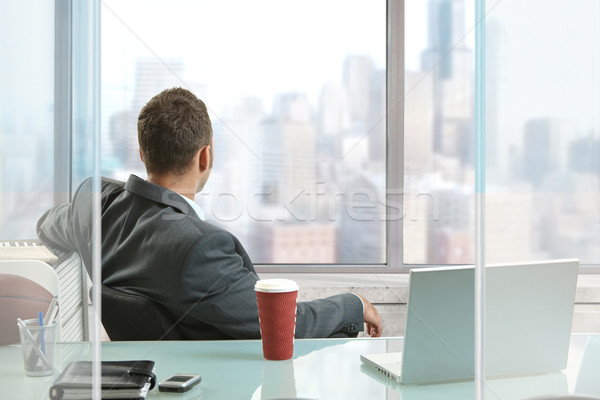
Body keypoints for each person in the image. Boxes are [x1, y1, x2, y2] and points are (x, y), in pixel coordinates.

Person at [37, 87, 382, 340]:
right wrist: (353, 303)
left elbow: (47, 227)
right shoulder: (199, 248)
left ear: (143, 153)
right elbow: (280, 325)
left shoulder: (93, 204)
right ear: (205, 157)